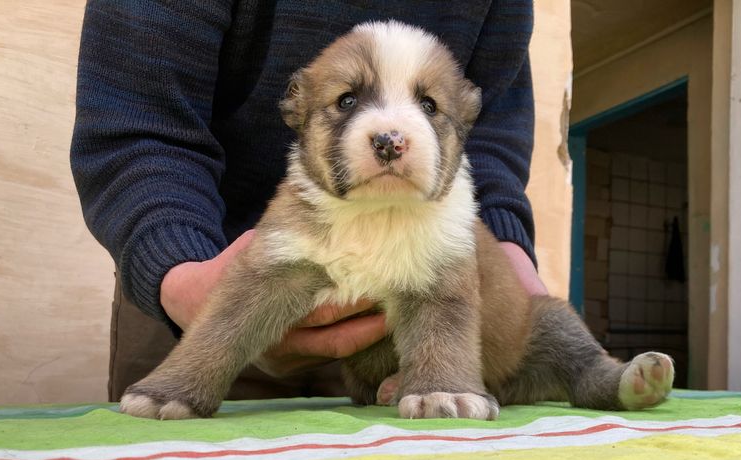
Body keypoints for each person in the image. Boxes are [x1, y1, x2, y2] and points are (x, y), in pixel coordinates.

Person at [71, 0, 547, 402]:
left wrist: (508, 259)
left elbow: (492, 124)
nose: (390, 135)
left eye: (424, 106)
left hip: (418, 298)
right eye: (347, 102)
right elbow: (136, 117)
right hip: (206, 268)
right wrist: (180, 273)